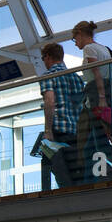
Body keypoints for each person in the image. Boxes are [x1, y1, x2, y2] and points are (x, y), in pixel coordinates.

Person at [38, 42, 85, 189]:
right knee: (74, 167)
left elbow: (50, 101)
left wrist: (48, 130)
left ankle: (56, 195)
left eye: (43, 58)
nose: (43, 62)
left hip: (59, 128)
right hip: (77, 130)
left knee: (51, 161)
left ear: (48, 57)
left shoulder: (48, 75)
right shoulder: (77, 78)